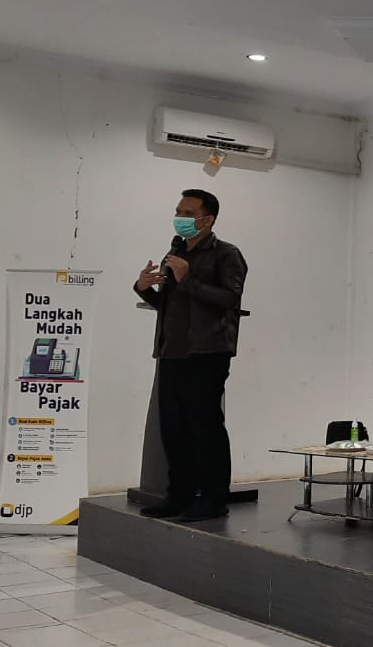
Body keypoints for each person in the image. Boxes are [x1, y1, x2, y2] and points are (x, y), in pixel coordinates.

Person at [133, 189, 248, 522]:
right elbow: (168, 304)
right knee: (173, 428)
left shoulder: (227, 254)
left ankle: (213, 499)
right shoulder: (176, 253)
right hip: (172, 351)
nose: (180, 218)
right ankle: (178, 496)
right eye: (178, 211)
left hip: (207, 352)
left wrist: (187, 278)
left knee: (205, 427)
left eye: (188, 213)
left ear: (207, 220)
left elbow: (229, 298)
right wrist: (143, 288)